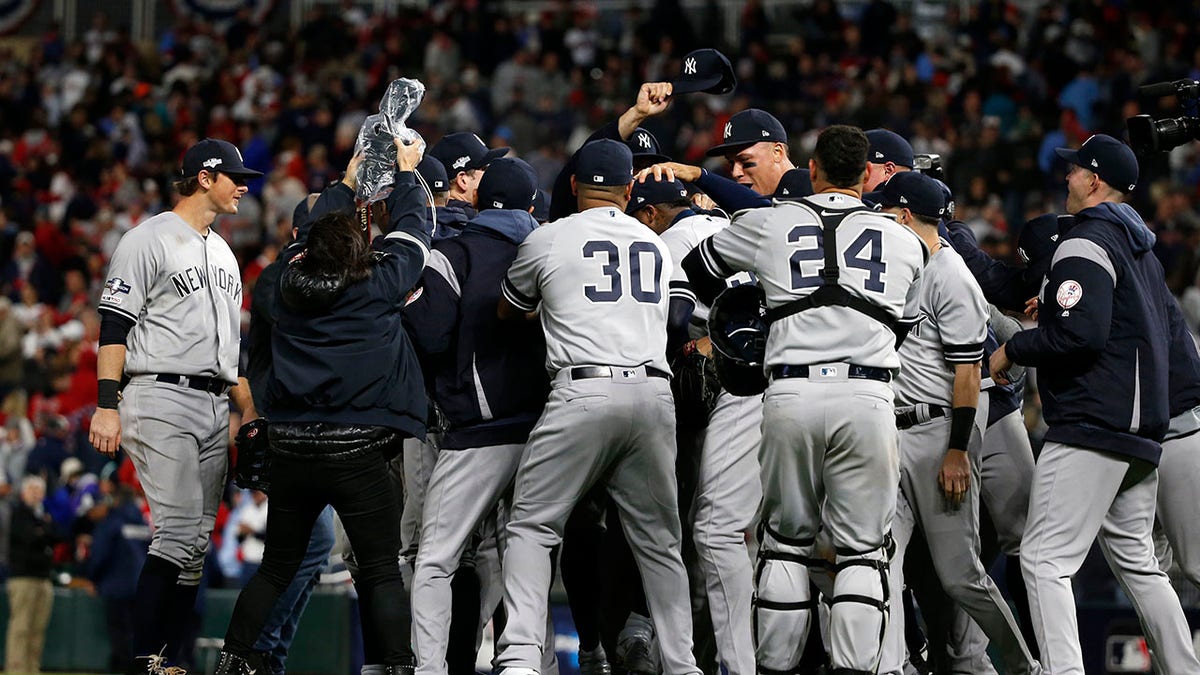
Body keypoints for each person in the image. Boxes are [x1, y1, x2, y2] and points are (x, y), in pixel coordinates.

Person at [681, 125, 926, 674]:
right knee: (863, 549)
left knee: (786, 544)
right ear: (867, 177)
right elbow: (902, 328)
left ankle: (774, 669)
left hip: (789, 391)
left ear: (810, 171)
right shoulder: (905, 239)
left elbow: (698, 270)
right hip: (868, 395)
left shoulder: (770, 221)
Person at [213, 138, 430, 675]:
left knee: (276, 569)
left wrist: (346, 184)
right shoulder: (377, 284)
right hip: (360, 454)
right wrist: (403, 173)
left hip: (293, 451)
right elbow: (414, 231)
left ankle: (233, 661)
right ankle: (399, 668)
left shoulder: (276, 287)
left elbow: (301, 244)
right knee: (380, 571)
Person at [990, 134, 1200, 675]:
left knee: (1042, 560)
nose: (1067, 176)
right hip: (1141, 431)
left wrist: (1013, 348)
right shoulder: (1142, 249)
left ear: (1095, 179)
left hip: (1095, 425)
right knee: (1141, 566)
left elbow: (1079, 334)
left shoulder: (1088, 238)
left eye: (1074, 169)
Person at [494, 139, 702, 675]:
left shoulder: (548, 237)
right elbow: (678, 314)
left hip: (581, 390)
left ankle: (518, 659)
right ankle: (682, 663)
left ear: (571, 186)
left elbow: (507, 310)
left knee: (532, 527)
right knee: (660, 542)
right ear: (630, 189)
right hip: (654, 393)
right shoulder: (654, 242)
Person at [90, 137, 260, 673]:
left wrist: (249, 412)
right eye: (236, 176)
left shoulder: (225, 251)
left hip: (213, 401)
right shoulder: (148, 239)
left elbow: (231, 348)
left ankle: (168, 656)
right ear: (205, 177)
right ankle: (144, 659)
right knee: (180, 531)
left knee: (195, 545)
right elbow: (115, 322)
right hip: (157, 392)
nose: (245, 186)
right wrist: (105, 403)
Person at [872, 172, 1039, 675]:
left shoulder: (951, 274)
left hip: (938, 432)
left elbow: (970, 373)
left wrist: (956, 450)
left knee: (960, 575)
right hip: (887, 433)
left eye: (884, 211)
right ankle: (891, 665)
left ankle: (1022, 666)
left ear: (903, 215)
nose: (876, 217)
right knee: (880, 567)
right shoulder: (888, 268)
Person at [404, 157, 555, 675]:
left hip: (477, 433)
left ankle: (430, 669)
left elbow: (431, 334)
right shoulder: (549, 247)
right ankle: (533, 664)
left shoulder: (452, 253)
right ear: (532, 205)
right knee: (528, 555)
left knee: (435, 560)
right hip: (548, 429)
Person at [628, 176, 761, 675]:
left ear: (649, 215)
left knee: (706, 532)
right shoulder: (730, 223)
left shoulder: (662, 241)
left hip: (729, 390)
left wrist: (688, 345)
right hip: (782, 379)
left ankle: (727, 664)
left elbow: (671, 318)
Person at [243, 193, 337, 675]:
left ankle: (266, 657)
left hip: (297, 428)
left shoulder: (297, 274)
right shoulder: (286, 276)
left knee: (313, 549)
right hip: (286, 431)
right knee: (305, 547)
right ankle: (254, 654)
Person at [6, 475, 55, 675]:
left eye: (39, 490)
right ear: (24, 492)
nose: (36, 494)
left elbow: (57, 535)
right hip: (23, 578)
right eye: (32, 489)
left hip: (42, 578)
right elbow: (28, 538)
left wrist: (42, 531)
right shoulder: (19, 513)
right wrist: (43, 532)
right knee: (21, 628)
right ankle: (17, 670)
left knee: (37, 630)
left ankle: (32, 669)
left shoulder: (41, 515)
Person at [427, 132, 510, 222]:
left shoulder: (427, 217)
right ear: (463, 181)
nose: (491, 174)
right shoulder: (476, 224)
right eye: (484, 169)